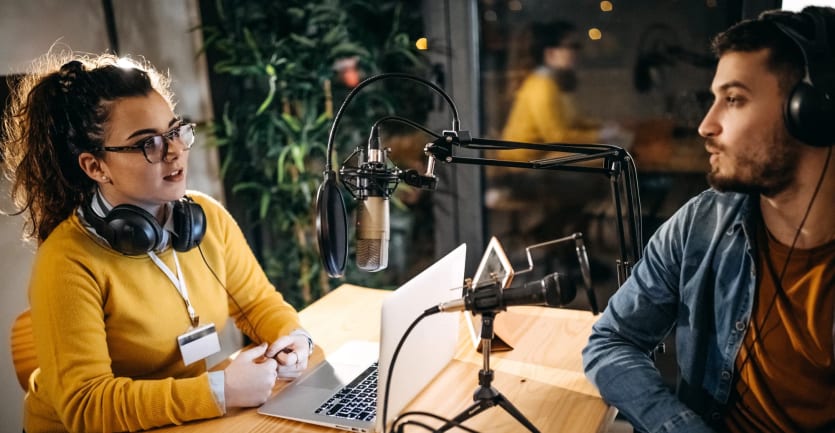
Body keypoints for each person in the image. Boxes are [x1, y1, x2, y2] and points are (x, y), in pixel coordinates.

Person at [2, 53, 314, 432]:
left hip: (183, 423)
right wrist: (219, 391)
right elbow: (86, 405)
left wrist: (292, 339)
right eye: (147, 143)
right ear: (95, 166)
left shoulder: (205, 217)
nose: (174, 151)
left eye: (174, 131)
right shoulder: (67, 261)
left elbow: (257, 302)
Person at [583, 6, 835, 433]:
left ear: (809, 111)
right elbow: (612, 340)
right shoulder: (700, 224)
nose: (705, 125)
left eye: (733, 99)